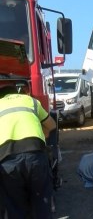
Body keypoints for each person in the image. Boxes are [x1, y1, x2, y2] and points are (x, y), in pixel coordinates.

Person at [0, 85, 57, 219]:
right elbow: (52, 125)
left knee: (15, 206)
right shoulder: (31, 101)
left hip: (7, 161)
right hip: (35, 155)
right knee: (42, 202)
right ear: (17, 92)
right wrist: (42, 134)